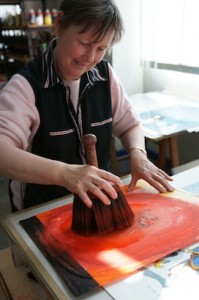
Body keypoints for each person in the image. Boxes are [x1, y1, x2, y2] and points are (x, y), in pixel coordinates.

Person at [0, 0, 174, 212]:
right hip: (45, 209)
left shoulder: (104, 74)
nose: (90, 58)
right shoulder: (25, 86)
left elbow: (129, 124)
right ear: (59, 23)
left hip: (98, 204)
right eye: (84, 43)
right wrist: (64, 174)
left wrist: (138, 153)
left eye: (101, 48)